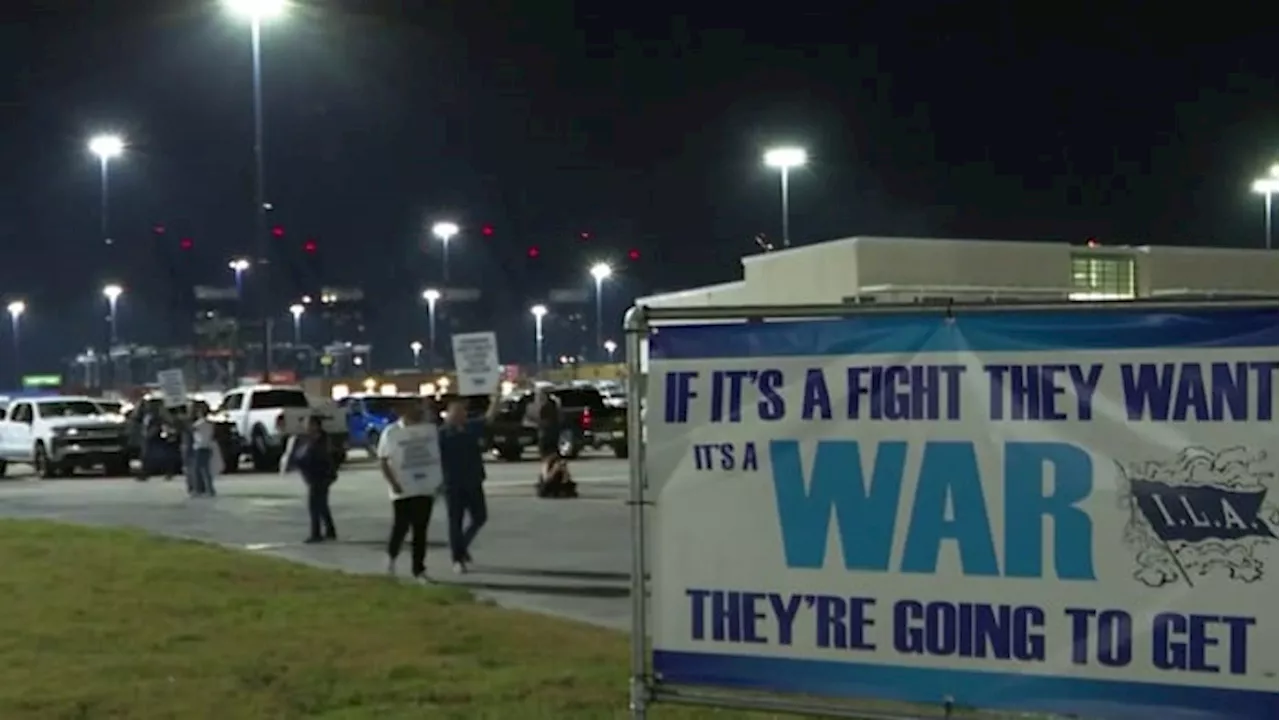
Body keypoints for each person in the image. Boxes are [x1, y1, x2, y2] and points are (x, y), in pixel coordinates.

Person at [377, 399, 441, 582]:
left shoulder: (428, 431)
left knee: (420, 530)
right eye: (411, 407)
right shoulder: (391, 432)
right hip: (403, 489)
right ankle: (391, 558)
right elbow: (383, 460)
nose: (415, 410)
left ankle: (418, 569)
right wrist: (393, 482)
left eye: (417, 407)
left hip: (424, 488)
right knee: (401, 527)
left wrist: (436, 480)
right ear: (401, 410)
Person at [439, 388, 501, 574]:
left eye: (463, 411)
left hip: (473, 481)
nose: (460, 414)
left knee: (480, 517)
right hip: (452, 484)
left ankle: (462, 547)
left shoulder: (471, 427)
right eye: (456, 411)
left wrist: (496, 399)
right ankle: (457, 559)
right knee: (455, 522)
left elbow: (489, 418)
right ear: (448, 414)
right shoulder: (441, 434)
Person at [290, 415, 338, 543]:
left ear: (315, 425)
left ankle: (316, 533)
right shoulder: (307, 439)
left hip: (321, 476)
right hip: (313, 476)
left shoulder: (322, 440)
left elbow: (321, 458)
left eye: (308, 424)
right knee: (321, 504)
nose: (305, 427)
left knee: (314, 505)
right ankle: (330, 530)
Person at [190, 403, 217, 497]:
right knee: (206, 470)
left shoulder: (199, 423)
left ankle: (198, 490)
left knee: (197, 470)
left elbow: (190, 429)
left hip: (200, 447)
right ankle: (210, 489)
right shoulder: (210, 423)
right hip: (207, 447)